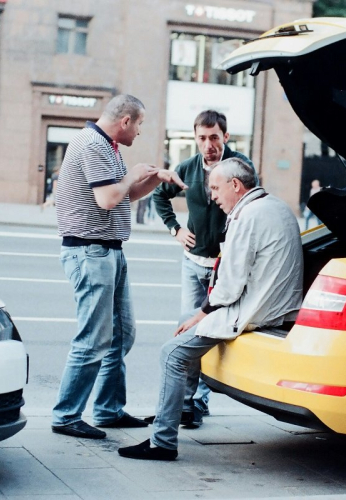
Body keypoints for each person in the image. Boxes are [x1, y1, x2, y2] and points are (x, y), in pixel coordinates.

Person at [119, 157, 304, 461]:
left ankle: (162, 441)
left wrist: (201, 314)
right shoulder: (276, 206)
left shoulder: (248, 218)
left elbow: (229, 287)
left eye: (216, 188)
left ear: (236, 185)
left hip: (253, 311)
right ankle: (186, 407)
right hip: (273, 306)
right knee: (184, 323)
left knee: (172, 353)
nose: (213, 196)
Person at [51, 94, 187, 440]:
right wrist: (132, 174)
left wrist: (156, 178)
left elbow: (124, 194)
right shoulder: (92, 145)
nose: (140, 131)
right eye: (139, 123)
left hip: (108, 251)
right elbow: (108, 198)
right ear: (125, 120)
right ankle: (66, 415)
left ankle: (108, 410)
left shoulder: (106, 145)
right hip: (90, 252)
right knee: (93, 338)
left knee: (121, 334)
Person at [152, 110, 255, 427]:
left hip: (223, 269)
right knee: (188, 329)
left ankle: (198, 401)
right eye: (201, 138)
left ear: (225, 136)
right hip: (192, 264)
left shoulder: (240, 168)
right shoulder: (187, 168)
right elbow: (159, 196)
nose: (208, 144)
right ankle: (187, 404)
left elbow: (252, 206)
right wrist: (175, 230)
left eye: (213, 137)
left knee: (210, 332)